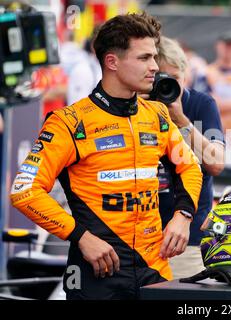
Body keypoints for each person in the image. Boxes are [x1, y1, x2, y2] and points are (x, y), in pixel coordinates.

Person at [10, 12, 203, 300]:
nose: (154, 67)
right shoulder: (69, 122)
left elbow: (190, 167)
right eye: (144, 58)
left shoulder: (158, 115)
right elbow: (24, 191)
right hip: (97, 269)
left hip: (155, 268)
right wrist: (80, 238)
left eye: (154, 57)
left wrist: (183, 216)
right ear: (112, 62)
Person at [155, 36, 225, 279]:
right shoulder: (136, 104)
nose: (166, 87)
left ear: (185, 75)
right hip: (139, 236)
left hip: (188, 238)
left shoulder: (200, 104)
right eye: (159, 79)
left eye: (174, 79)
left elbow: (216, 163)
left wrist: (181, 120)